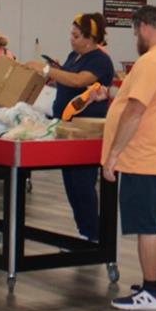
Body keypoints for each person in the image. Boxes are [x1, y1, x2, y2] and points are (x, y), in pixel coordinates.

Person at [100, 5, 156, 311]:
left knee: (146, 227)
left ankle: (152, 292)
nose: (137, 38)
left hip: (143, 155)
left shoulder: (151, 60)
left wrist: (113, 154)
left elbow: (135, 111)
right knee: (152, 223)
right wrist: (110, 95)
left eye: (136, 32)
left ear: (145, 27)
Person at [27, 13, 115, 241]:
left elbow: (78, 81)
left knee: (82, 184)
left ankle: (93, 234)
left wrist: (47, 71)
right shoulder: (74, 56)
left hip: (86, 131)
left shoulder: (100, 60)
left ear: (90, 39)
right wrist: (53, 74)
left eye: (76, 36)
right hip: (66, 126)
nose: (71, 39)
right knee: (71, 185)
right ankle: (84, 231)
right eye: (71, 34)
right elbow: (67, 78)